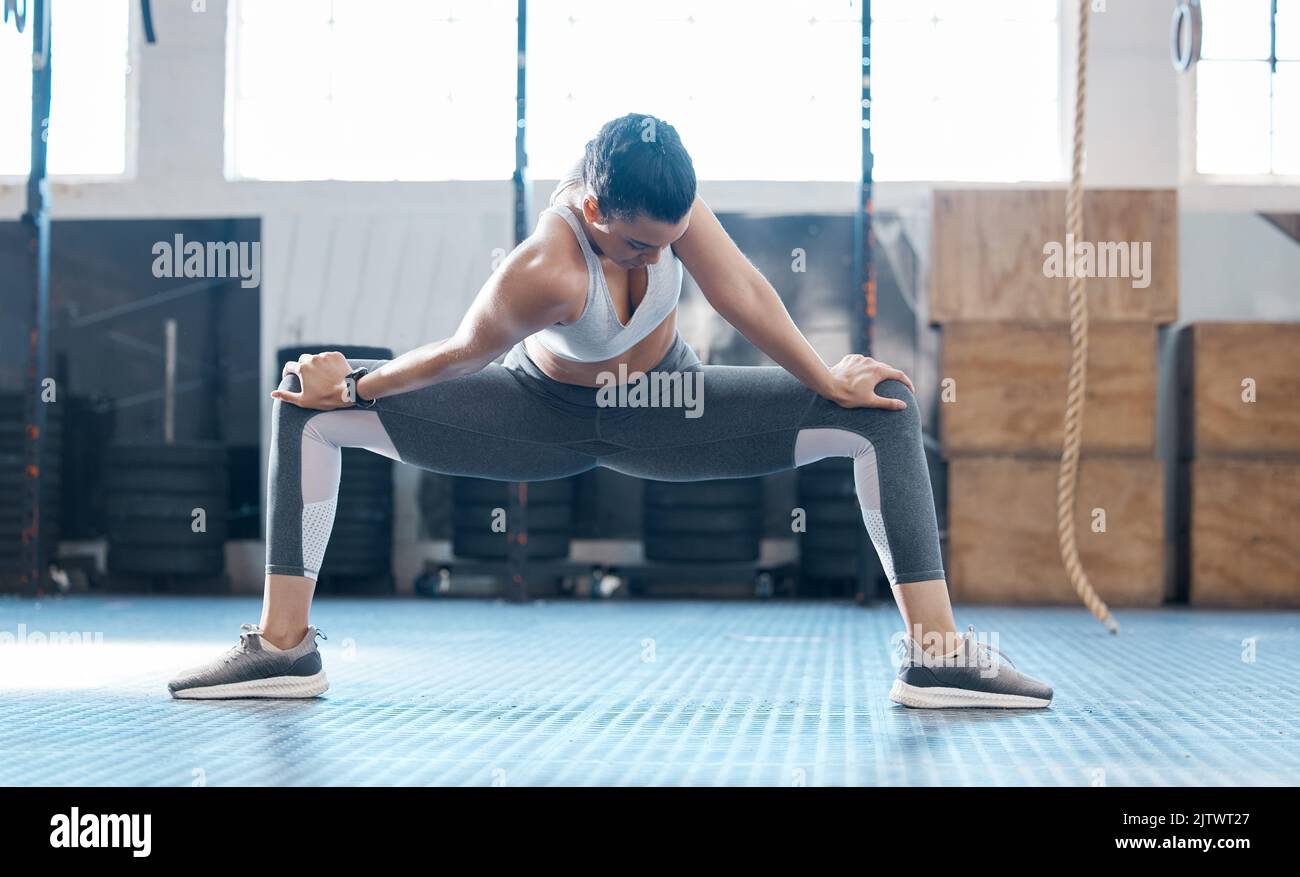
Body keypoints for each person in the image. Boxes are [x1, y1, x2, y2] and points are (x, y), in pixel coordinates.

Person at [167, 113, 1052, 709]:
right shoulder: (543, 269)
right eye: (634, 242)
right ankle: (286, 648)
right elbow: (457, 352)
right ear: (593, 208)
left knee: (883, 410)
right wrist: (350, 386)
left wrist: (825, 376)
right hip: (533, 414)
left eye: (665, 242)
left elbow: (740, 289)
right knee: (302, 405)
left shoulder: (667, 203)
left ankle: (937, 655)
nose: (654, 253)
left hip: (667, 408)